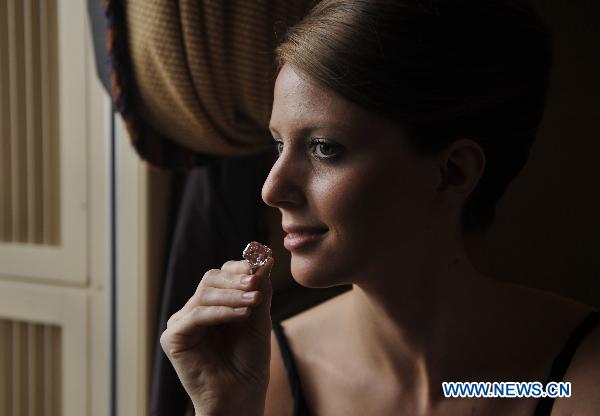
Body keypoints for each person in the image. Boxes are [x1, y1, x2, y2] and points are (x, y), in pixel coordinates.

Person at [159, 1, 600, 415]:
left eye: (324, 148)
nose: (272, 190)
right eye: (278, 144)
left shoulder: (568, 380)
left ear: (453, 173)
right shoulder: (258, 379)